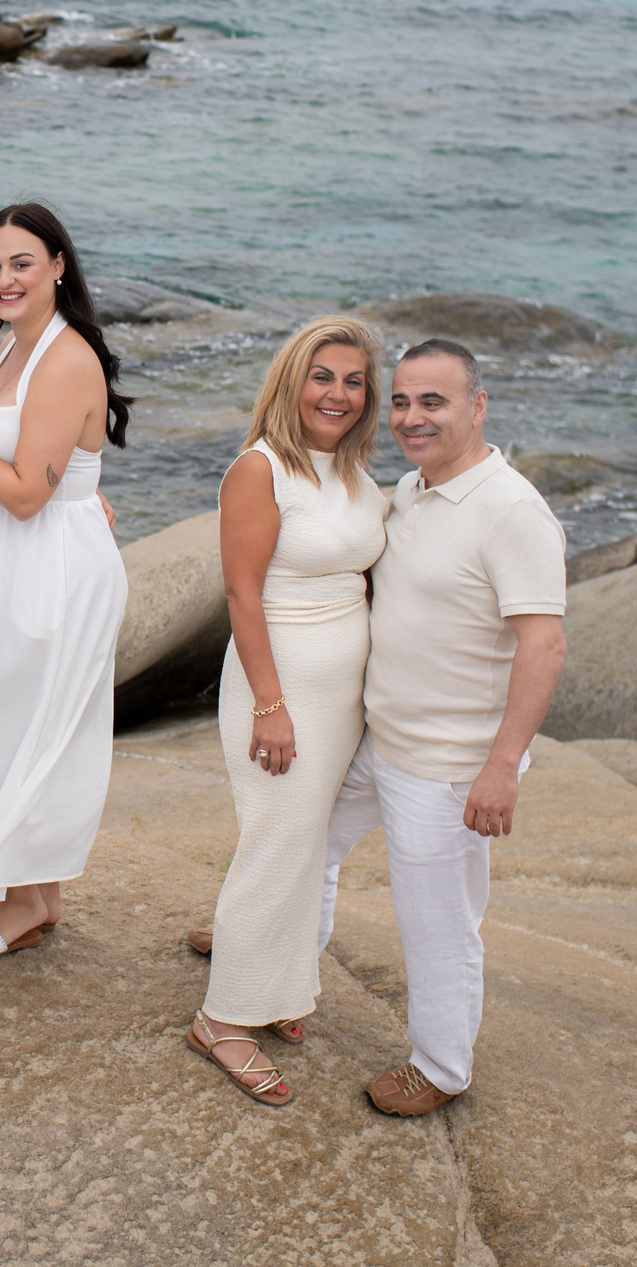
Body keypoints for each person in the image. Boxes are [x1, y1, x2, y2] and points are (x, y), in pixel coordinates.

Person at [318, 337, 567, 1117]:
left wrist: (503, 766)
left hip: (449, 762)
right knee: (305, 841)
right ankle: (273, 954)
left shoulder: (513, 510)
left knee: (437, 921)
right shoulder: (415, 488)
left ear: (477, 406)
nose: (411, 416)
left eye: (433, 401)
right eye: (400, 400)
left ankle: (440, 1065)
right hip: (382, 738)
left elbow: (544, 642)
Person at [183, 316, 388, 1106]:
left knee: (308, 846)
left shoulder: (357, 473)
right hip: (281, 691)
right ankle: (223, 1018)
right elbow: (242, 592)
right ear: (291, 382)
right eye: (322, 376)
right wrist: (271, 703)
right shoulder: (259, 470)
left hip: (340, 697)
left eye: (353, 380)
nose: (337, 393)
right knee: (278, 840)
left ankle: (277, 985)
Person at [0, 202, 132, 961]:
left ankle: (17, 901)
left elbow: (22, 492)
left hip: (46, 562)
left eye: (22, 262)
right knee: (9, 720)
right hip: (23, 553)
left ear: (57, 266)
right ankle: (36, 893)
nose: (3, 278)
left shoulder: (65, 356)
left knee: (21, 724)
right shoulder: (11, 345)